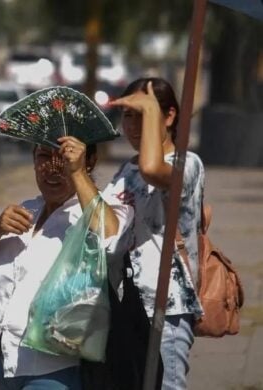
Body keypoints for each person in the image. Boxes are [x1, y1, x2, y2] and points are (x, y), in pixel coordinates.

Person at [0, 137, 131, 390]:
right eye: (44, 157)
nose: (54, 167)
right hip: (8, 364)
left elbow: (111, 237)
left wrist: (77, 172)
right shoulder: (25, 212)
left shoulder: (105, 210)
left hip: (59, 367)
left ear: (89, 161)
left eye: (65, 157)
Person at [103, 77, 205, 390]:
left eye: (144, 115)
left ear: (169, 116)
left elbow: (153, 169)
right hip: (125, 305)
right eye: (129, 116)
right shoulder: (127, 169)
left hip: (167, 306)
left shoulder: (187, 165)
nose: (133, 126)